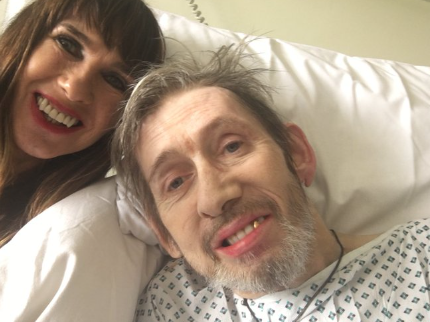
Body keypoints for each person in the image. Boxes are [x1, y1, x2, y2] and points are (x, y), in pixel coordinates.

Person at [112, 44, 430, 322]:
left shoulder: (421, 255)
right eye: (177, 182)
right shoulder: (169, 307)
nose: (215, 196)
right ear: (165, 236)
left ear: (296, 154)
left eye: (231, 146)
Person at [0, 0, 165, 320]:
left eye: (115, 80)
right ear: (24, 38)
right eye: (68, 44)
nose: (75, 89)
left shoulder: (69, 233)